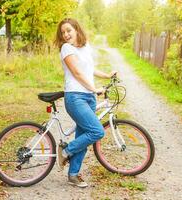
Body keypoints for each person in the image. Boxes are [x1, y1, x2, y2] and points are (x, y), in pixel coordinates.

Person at [54, 18, 117, 188]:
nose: (66, 34)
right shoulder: (66, 48)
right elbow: (77, 73)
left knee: (84, 137)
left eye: (69, 30)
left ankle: (73, 175)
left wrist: (107, 75)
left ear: (76, 30)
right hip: (75, 97)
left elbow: (89, 69)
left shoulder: (84, 47)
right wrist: (94, 88)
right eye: (63, 32)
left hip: (89, 97)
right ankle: (66, 150)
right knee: (97, 131)